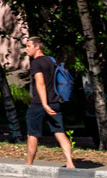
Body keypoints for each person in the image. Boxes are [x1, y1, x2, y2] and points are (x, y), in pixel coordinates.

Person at [24, 36, 76, 169]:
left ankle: (28, 165)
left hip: (39, 104)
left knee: (32, 133)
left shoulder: (36, 63)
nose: (26, 49)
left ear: (37, 47)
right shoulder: (52, 61)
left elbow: (40, 83)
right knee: (60, 132)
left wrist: (44, 104)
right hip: (55, 102)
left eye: (29, 46)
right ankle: (70, 162)